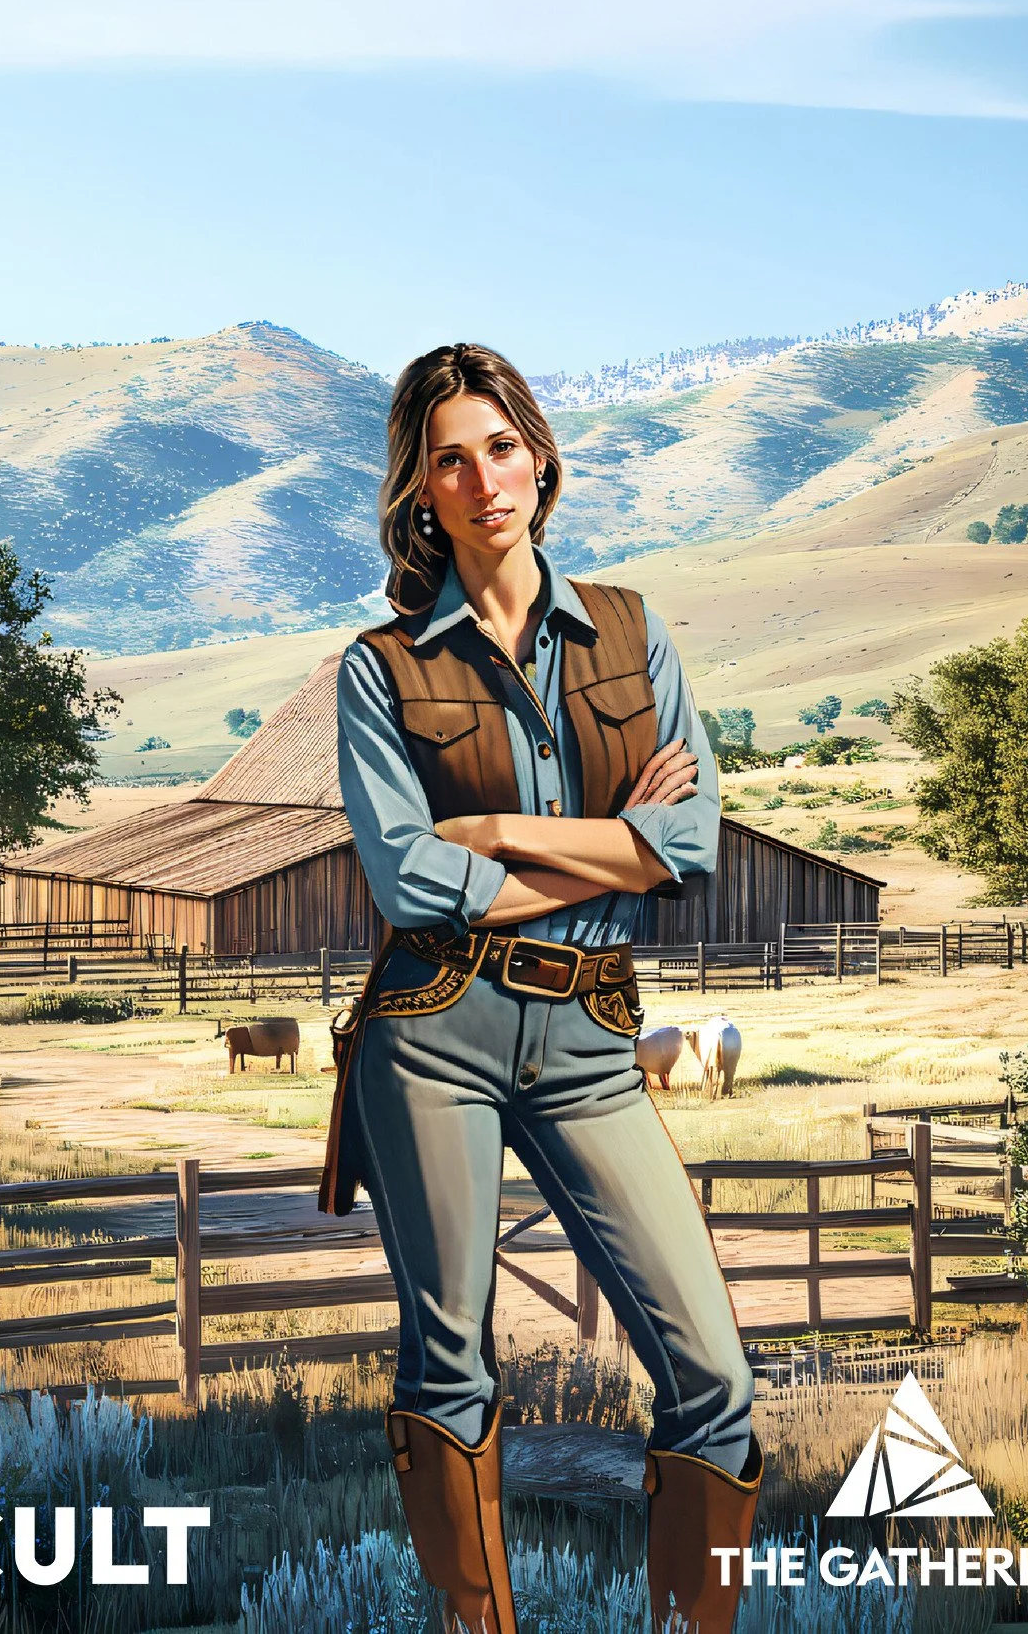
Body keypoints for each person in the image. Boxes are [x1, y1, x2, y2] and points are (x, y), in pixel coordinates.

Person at [320, 342, 762, 1633]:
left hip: (591, 1031)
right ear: (419, 493)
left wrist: (505, 836)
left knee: (712, 1375)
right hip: (432, 1028)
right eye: (449, 459)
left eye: (500, 448)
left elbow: (685, 848)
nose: (481, 480)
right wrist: (603, 841)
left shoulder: (631, 630)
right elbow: (410, 885)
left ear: (542, 460)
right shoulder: (379, 669)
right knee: (450, 1367)